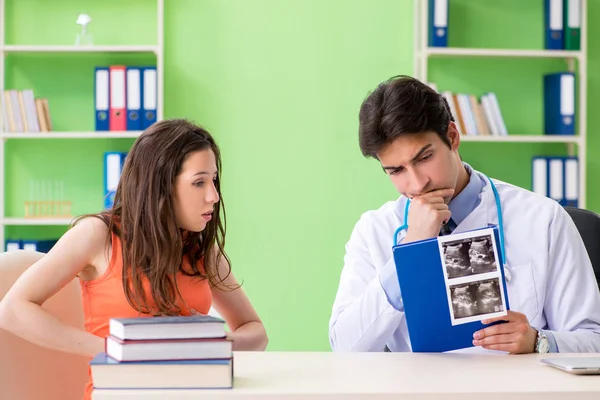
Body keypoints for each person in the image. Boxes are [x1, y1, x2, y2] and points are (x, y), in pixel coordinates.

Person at [328, 75, 600, 354]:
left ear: (453, 136)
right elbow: (346, 348)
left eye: (424, 158)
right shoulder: (375, 229)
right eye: (396, 171)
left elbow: (594, 341)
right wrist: (410, 253)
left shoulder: (543, 219)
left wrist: (539, 341)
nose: (417, 183)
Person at [0, 119, 268, 399]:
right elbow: (13, 310)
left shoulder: (199, 249)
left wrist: (206, 343)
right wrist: (115, 349)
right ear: (160, 185)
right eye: (199, 182)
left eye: (213, 180)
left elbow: (256, 333)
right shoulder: (97, 235)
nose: (213, 195)